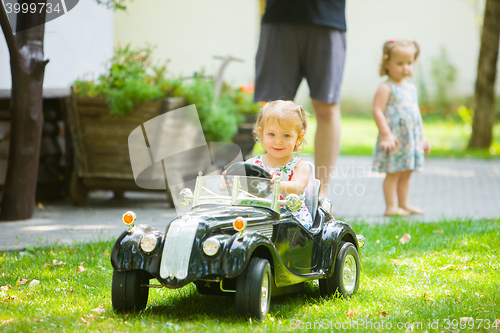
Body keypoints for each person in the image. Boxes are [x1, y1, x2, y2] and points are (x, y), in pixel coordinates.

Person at [254, 0, 346, 198]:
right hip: (280, 15)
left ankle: (321, 194)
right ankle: (268, 190)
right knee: (272, 110)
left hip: (328, 16)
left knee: (327, 108)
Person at [372, 39, 431, 216]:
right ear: (387, 63)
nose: (405, 68)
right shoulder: (386, 88)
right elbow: (377, 111)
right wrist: (386, 134)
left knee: (406, 173)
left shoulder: (411, 88)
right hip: (395, 139)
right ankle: (391, 207)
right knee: (393, 172)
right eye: (400, 63)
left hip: (410, 138)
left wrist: (422, 137)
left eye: (409, 63)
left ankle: (404, 204)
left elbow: (416, 116)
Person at [247, 100, 313, 228]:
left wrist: (277, 184)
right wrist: (229, 181)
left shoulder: (299, 166)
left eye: (286, 136)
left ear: (299, 137)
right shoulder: (252, 163)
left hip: (290, 219)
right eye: (271, 134)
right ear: (262, 134)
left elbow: (297, 187)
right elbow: (241, 186)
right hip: (258, 215)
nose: (278, 142)